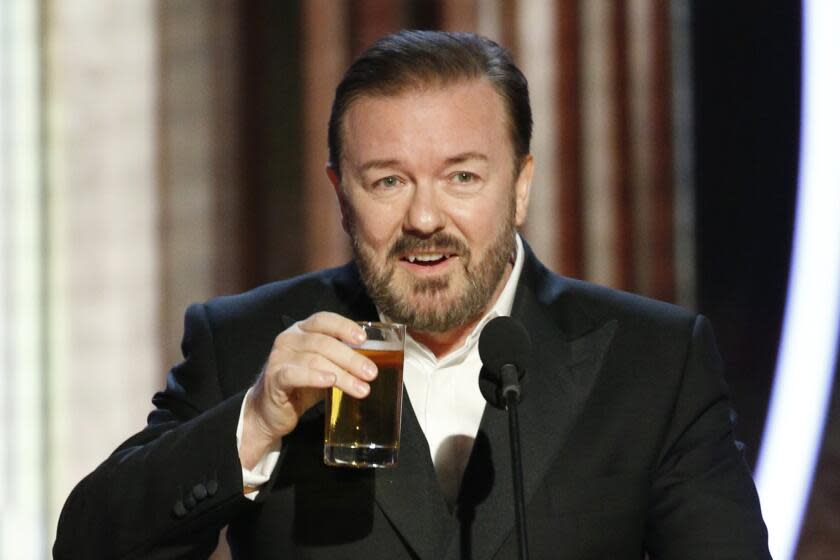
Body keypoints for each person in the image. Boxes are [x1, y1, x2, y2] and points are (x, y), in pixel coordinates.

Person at [54, 30, 770, 559]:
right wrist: (254, 424)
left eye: (462, 177)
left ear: (520, 184)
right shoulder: (248, 344)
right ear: (341, 194)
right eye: (388, 181)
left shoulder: (654, 363)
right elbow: (87, 545)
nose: (425, 218)